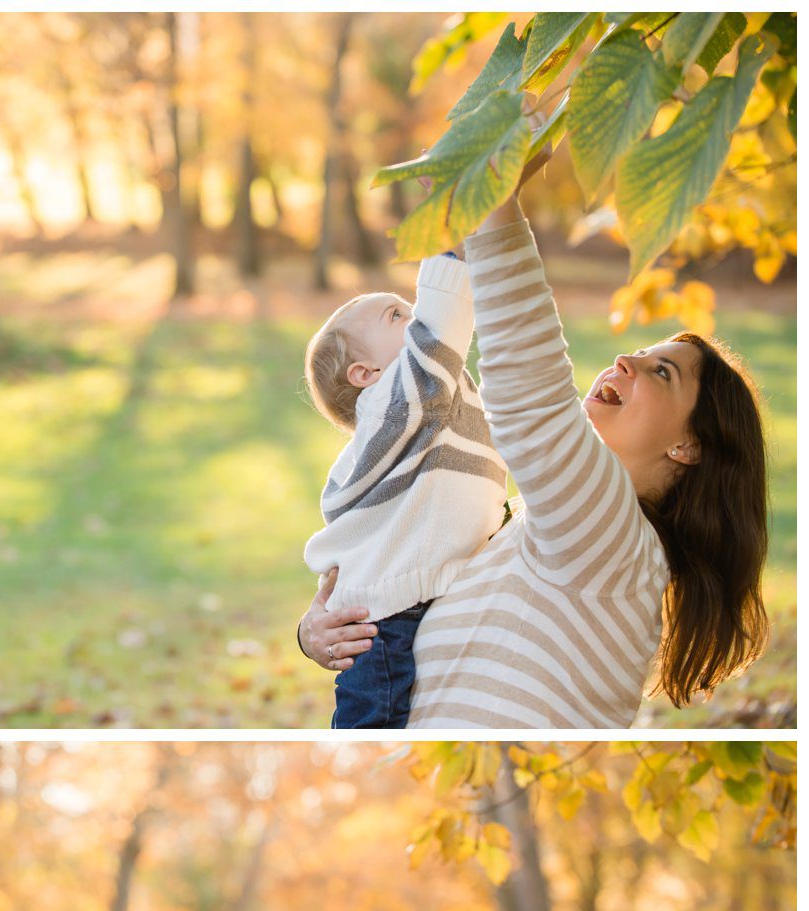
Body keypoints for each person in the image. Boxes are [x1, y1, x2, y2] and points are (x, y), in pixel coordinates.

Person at [297, 152, 770, 728]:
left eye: (662, 372)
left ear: (688, 446)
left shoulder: (615, 539)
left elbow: (530, 397)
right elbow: (403, 562)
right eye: (641, 353)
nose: (627, 359)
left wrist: (493, 209)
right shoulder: (531, 527)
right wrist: (319, 629)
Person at [302, 250, 507, 728]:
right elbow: (439, 334)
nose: (414, 320)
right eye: (398, 316)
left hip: (418, 599)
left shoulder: (431, 407)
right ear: (366, 376)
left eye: (412, 311)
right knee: (373, 724)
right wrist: (452, 248)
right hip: (383, 621)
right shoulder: (393, 402)